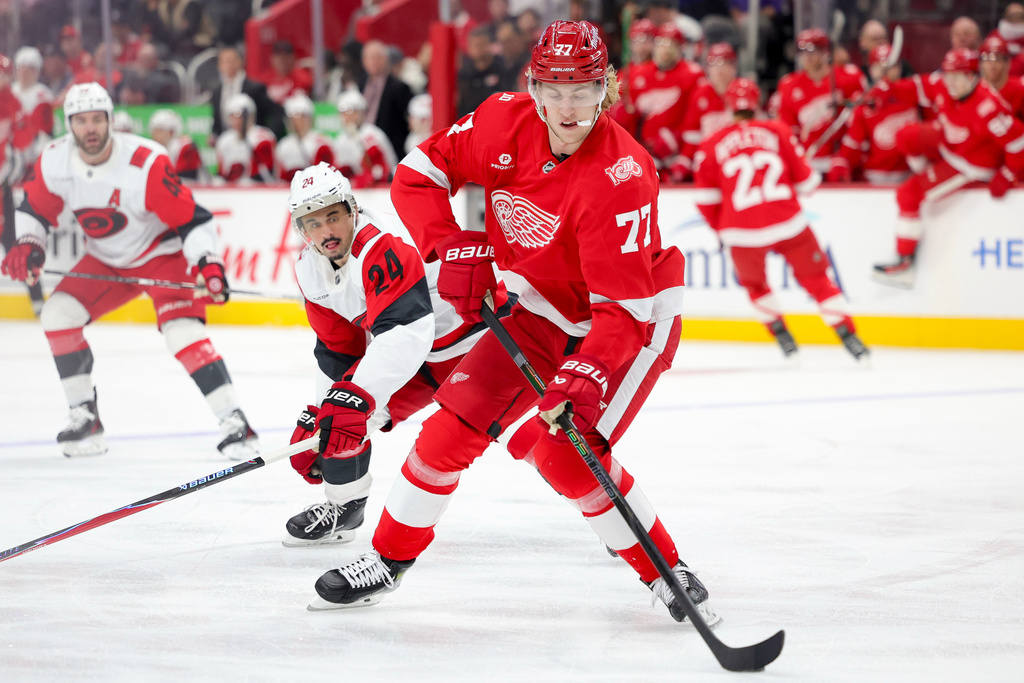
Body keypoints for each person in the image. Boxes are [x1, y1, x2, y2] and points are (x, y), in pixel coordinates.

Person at [307, 21, 714, 629]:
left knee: (564, 452)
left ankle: (664, 568)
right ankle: (387, 560)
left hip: (634, 316)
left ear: (607, 89)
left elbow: (620, 315)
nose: (568, 106)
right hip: (539, 306)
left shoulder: (623, 177)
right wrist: (448, 248)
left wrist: (586, 372)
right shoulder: (502, 119)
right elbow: (418, 174)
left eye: (584, 89)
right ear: (533, 86)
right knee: (451, 428)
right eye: (554, 88)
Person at [0, 82, 260, 458]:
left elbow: (193, 219)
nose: (90, 128)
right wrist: (29, 244)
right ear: (69, 125)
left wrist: (208, 262)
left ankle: (236, 423)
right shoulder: (54, 159)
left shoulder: (144, 163)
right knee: (57, 314)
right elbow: (35, 211)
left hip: (161, 255)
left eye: (97, 119)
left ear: (109, 120)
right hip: (107, 260)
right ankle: (85, 415)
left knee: (180, 331)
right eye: (81, 121)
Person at [281, 162, 513, 547]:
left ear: (352, 210)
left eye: (333, 217)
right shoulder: (309, 271)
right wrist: (324, 410)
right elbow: (337, 350)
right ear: (301, 229)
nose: (326, 232)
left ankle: (605, 504)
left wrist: (351, 399)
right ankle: (345, 507)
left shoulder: (379, 244)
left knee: (533, 438)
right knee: (339, 421)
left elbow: (407, 330)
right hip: (418, 357)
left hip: (479, 343)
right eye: (313, 223)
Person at [693, 78, 869, 360]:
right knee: (817, 280)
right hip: (788, 222)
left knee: (754, 285)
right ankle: (848, 336)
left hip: (740, 231)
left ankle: (779, 331)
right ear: (758, 102)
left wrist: (723, 230)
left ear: (729, 105)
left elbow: (706, 202)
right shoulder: (778, 131)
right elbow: (809, 183)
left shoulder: (710, 144)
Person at [873, 49, 1024, 287]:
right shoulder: (943, 85)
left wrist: (1008, 173)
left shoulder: (988, 107)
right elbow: (916, 87)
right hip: (951, 144)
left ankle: (904, 263)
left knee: (908, 194)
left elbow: (1018, 142)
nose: (950, 82)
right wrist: (889, 87)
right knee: (906, 135)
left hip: (971, 163)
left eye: (957, 76)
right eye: (947, 75)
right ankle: (928, 175)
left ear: (973, 76)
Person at [769, 28, 867, 178]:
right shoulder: (789, 84)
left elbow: (859, 122)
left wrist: (846, 156)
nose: (807, 57)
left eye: (812, 51)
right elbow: (788, 129)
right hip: (807, 162)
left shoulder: (849, 78)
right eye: (803, 52)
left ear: (825, 52)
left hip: (842, 162)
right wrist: (796, 160)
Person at [625, 22, 705, 182]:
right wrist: (632, 147)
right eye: (661, 43)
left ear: (681, 48)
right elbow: (630, 120)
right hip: (646, 151)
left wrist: (679, 146)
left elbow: (695, 121)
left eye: (672, 44)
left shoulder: (692, 75)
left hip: (679, 151)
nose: (666, 49)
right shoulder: (638, 74)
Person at [835, 44, 918, 185]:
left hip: (910, 175)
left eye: (891, 67)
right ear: (871, 70)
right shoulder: (864, 102)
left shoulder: (913, 92)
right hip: (874, 179)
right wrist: (842, 162)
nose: (886, 73)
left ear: (899, 68)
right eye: (881, 68)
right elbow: (854, 143)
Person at [679, 42, 739, 177]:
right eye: (714, 64)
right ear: (708, 68)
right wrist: (684, 160)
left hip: (736, 158)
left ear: (734, 67)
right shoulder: (700, 94)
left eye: (724, 63)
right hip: (708, 160)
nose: (719, 70)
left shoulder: (743, 91)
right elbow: (692, 136)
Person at [210, 46, 285, 142]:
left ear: (240, 61)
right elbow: (217, 123)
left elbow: (278, 112)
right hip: (228, 145)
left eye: (232, 60)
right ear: (219, 65)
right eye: (225, 61)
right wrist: (214, 135)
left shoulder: (255, 88)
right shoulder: (216, 92)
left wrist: (269, 135)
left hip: (252, 144)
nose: (229, 65)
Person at [358, 40, 413, 163]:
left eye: (378, 58)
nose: (374, 62)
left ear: (386, 60)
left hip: (391, 149)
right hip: (365, 146)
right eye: (371, 58)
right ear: (364, 61)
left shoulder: (399, 88)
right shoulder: (360, 84)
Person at [332, 90, 397, 188]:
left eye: (351, 112)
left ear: (361, 113)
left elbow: (383, 170)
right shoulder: (340, 139)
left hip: (379, 189)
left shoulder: (373, 135)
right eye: (343, 113)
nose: (347, 117)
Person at [214, 93, 276, 184]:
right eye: (233, 116)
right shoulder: (224, 140)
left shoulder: (262, 137)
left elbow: (263, 175)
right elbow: (223, 173)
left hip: (257, 191)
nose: (236, 120)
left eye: (240, 116)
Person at [275, 93, 334, 182]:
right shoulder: (284, 144)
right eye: (293, 118)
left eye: (301, 117)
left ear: (309, 118)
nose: (297, 122)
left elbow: (325, 176)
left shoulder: (320, 142)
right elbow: (280, 177)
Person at [148, 108, 205, 182]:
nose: (155, 135)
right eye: (154, 131)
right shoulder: (155, 149)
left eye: (159, 131)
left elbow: (187, 179)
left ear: (171, 132)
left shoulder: (185, 147)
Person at [979, 35, 1024, 122]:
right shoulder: (975, 92)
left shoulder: (1020, 90)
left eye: (997, 59)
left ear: (1008, 63)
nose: (992, 65)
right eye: (987, 59)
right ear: (981, 64)